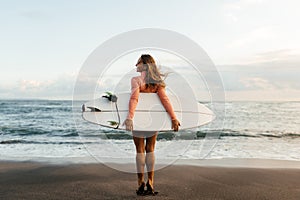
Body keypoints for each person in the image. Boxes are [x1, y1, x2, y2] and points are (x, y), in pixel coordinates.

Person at [123, 54, 180, 196]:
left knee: (140, 150)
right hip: (153, 121)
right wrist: (173, 118)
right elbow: (165, 100)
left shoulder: (136, 80)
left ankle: (141, 182)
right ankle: (151, 182)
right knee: (151, 149)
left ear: (145, 64)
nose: (136, 65)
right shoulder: (156, 83)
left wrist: (130, 117)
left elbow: (134, 98)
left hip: (139, 121)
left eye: (138, 62)